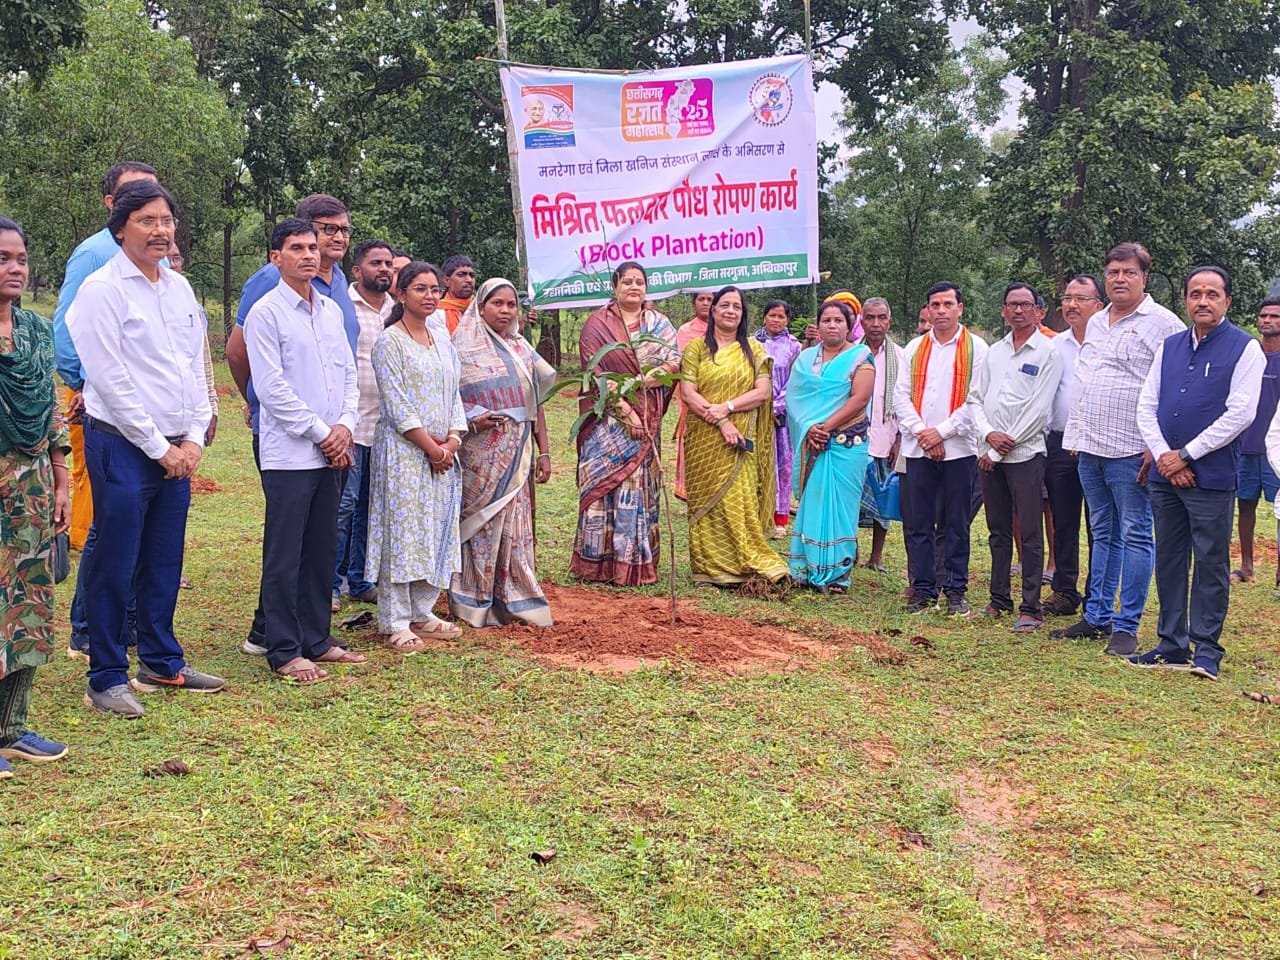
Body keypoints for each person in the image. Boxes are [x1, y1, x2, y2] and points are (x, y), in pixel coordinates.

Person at [66, 180, 223, 717]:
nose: (161, 231)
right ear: (120, 228)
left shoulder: (178, 288)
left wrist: (193, 437)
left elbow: (194, 366)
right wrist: (159, 447)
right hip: (122, 445)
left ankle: (160, 660)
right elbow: (109, 380)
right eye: (147, 221)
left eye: (167, 220)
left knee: (163, 558)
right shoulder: (102, 290)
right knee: (116, 559)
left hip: (177, 447)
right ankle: (106, 675)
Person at [227, 194, 359, 653]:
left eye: (312, 248)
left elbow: (348, 375)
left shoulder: (331, 310)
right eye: (297, 248)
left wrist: (345, 426)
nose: (308, 255)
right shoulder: (266, 312)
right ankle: (282, 647)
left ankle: (316, 638)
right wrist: (323, 434)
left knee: (321, 549)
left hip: (335, 448)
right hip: (291, 451)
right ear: (275, 257)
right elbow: (270, 388)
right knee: (286, 552)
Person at [1130, 266, 1264, 680]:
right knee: (1170, 558)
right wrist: (1164, 456)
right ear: (1186, 300)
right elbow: (1146, 405)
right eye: (1195, 294)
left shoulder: (1245, 348)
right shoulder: (1169, 346)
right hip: (1165, 475)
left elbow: (1241, 413)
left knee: (1210, 562)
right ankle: (1172, 643)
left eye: (1212, 294)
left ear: (1227, 301)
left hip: (1212, 475)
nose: (1202, 301)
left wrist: (1187, 455)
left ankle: (1207, 649)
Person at [1056, 242, 1184, 655]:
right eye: (1113, 272)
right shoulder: (1097, 321)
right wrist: (1077, 437)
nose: (1120, 279)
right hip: (1090, 447)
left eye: (1129, 272)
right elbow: (1086, 379)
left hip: (1132, 450)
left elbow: (1175, 388)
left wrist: (1155, 445)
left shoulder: (1164, 324)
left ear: (1144, 277)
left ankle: (1127, 625)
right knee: (1102, 531)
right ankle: (1097, 615)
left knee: (1135, 534)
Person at [54, 161, 158, 659]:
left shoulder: (156, 262)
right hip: (105, 412)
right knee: (105, 519)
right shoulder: (96, 254)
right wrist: (82, 386)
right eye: (133, 198)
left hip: (151, 415)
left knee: (140, 525)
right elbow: (66, 329)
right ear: (112, 207)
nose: (147, 207)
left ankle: (129, 623)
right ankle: (87, 628)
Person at [0, 216, 71, 775]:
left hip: (33, 484)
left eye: (21, 258)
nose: (15, 268)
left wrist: (62, 477)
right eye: (2, 259)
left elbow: (48, 406)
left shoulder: (36, 332)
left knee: (27, 601)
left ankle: (10, 727)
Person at [366, 262, 466, 649]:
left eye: (434, 289)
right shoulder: (390, 342)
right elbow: (397, 405)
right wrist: (431, 447)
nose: (429, 296)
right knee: (403, 532)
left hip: (443, 453)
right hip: (405, 452)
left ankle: (422, 611)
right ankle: (395, 619)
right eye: (420, 288)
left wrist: (451, 442)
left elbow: (454, 397)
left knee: (435, 527)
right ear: (401, 293)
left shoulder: (442, 341)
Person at [449, 278, 556, 626]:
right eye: (497, 303)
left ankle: (517, 598)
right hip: (480, 456)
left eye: (511, 304)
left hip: (518, 452)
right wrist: (474, 421)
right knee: (481, 524)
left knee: (515, 526)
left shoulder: (522, 349)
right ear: (480, 308)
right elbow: (447, 401)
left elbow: (535, 404)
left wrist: (544, 451)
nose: (505, 310)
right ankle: (473, 599)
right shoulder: (461, 350)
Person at [570, 262, 680, 585]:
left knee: (639, 488)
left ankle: (633, 563)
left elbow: (673, 363)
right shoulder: (597, 325)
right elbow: (595, 373)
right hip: (606, 419)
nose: (634, 287)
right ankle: (598, 563)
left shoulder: (659, 324)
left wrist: (640, 384)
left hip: (647, 414)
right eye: (627, 281)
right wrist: (625, 410)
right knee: (603, 485)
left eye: (639, 282)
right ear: (614, 286)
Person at [967, 283, 1063, 631]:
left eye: (1025, 304)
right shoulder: (995, 351)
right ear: (1003, 311)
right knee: (997, 529)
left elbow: (1039, 410)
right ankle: (999, 599)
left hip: (1025, 454)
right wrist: (987, 435)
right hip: (989, 453)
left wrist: (997, 448)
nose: (1018, 310)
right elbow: (974, 398)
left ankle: (1031, 607)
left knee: (1031, 531)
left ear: (1038, 311)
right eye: (1012, 304)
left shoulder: (1048, 352)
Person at [680, 286, 788, 587]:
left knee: (739, 500)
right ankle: (707, 569)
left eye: (736, 307)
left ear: (743, 314)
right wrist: (722, 421)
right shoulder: (696, 349)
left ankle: (744, 562)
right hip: (704, 437)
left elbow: (762, 392)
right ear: (713, 310)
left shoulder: (753, 349)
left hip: (741, 438)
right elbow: (688, 393)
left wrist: (727, 407)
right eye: (724, 305)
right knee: (706, 500)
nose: (730, 311)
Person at [893, 281, 989, 615]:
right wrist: (923, 433)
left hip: (959, 450)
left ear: (960, 308)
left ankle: (956, 592)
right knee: (919, 522)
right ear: (928, 309)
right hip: (918, 448)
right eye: (935, 305)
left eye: (948, 304)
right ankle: (923, 590)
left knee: (956, 523)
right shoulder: (915, 347)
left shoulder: (977, 348)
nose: (941, 310)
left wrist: (941, 433)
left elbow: (975, 399)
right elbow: (900, 395)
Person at [785, 299, 875, 592]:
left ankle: (836, 574)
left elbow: (859, 399)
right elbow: (794, 398)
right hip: (813, 440)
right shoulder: (805, 359)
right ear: (819, 325)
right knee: (814, 501)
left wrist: (825, 427)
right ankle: (806, 568)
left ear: (849, 326)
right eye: (827, 320)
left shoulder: (860, 356)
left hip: (846, 444)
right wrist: (810, 427)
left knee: (841, 507)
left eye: (839, 320)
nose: (832, 325)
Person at [333, 239, 397, 611]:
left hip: (385, 427)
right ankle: (330, 584)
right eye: (376, 263)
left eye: (388, 263)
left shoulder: (396, 308)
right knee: (344, 506)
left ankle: (360, 580)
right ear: (357, 270)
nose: (384, 269)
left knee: (371, 509)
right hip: (351, 424)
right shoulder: (343, 305)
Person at [1043, 275, 1103, 616]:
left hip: (1099, 445)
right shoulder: (1055, 346)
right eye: (1067, 298)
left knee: (1099, 523)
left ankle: (1097, 593)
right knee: (1063, 520)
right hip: (1061, 443)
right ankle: (1064, 591)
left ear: (1099, 305)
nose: (1072, 305)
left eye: (1081, 299)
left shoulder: (1108, 343)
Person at [1232, 296, 1280, 588]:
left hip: (1275, 450)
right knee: (1245, 505)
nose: (1267, 320)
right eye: (1263, 316)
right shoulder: (1249, 355)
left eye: (1274, 316)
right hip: (1245, 446)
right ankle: (1247, 567)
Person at [857, 297, 904, 573]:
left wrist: (899, 439)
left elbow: (907, 399)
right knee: (850, 500)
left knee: (883, 499)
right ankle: (850, 551)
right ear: (862, 321)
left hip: (886, 439)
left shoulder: (901, 356)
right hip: (852, 439)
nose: (876, 323)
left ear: (889, 321)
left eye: (881, 317)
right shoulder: (851, 353)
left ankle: (876, 556)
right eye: (870, 317)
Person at [755, 299, 802, 537]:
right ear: (764, 317)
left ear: (787, 320)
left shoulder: (794, 346)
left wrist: (775, 407)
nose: (776, 320)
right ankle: (756, 515)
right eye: (772, 315)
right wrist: (759, 405)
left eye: (781, 316)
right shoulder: (751, 343)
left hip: (780, 416)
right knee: (758, 463)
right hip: (754, 412)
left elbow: (794, 380)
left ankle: (779, 518)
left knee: (782, 464)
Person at [673, 291, 713, 501]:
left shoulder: (724, 328)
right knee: (691, 436)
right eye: (701, 299)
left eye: (710, 299)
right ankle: (690, 489)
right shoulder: (685, 331)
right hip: (691, 393)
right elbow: (681, 363)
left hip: (719, 391)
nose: (706, 303)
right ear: (694, 303)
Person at [438, 255, 476, 335]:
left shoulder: (481, 310)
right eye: (461, 275)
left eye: (472, 275)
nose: (469, 280)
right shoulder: (436, 314)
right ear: (447, 280)